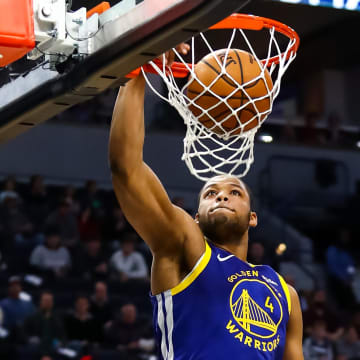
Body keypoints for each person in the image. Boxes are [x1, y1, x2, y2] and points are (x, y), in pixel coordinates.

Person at [108, 44, 303, 359]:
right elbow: (125, 167)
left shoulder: (285, 293)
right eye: (210, 194)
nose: (222, 195)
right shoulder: (184, 245)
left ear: (253, 217)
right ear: (196, 217)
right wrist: (140, 68)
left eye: (234, 192)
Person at [24, 291, 65, 357]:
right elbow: (25, 333)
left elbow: (63, 334)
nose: (48, 303)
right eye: (45, 300)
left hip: (54, 347)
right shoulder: (32, 317)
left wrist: (61, 342)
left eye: (49, 301)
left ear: (52, 302)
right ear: (40, 302)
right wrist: (29, 339)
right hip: (37, 347)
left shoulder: (58, 317)